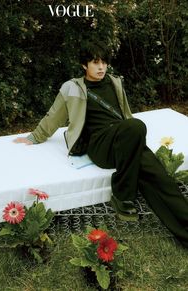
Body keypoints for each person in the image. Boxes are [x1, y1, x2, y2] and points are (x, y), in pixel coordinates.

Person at [14, 41, 188, 248]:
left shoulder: (115, 83)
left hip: (123, 141)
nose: (101, 67)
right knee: (136, 126)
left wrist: (135, 141)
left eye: (104, 62)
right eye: (95, 62)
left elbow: (125, 114)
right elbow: (54, 116)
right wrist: (35, 137)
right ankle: (123, 194)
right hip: (99, 145)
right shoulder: (72, 88)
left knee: (161, 178)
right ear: (83, 65)